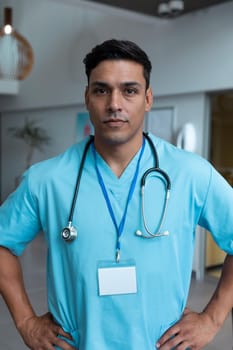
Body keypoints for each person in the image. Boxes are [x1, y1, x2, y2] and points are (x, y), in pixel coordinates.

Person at [0, 39, 233, 350]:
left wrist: (212, 319)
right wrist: (26, 322)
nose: (114, 103)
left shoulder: (191, 174)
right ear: (87, 98)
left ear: (148, 99)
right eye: (101, 90)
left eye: (129, 90)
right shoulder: (47, 179)